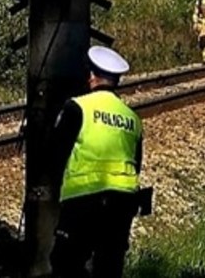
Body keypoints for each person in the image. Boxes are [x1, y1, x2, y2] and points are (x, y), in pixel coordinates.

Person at [49, 46, 145, 277]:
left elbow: (57, 153)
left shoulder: (78, 107)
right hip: (122, 203)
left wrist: (53, 190)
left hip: (84, 198)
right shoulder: (132, 118)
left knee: (66, 262)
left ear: (91, 76)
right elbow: (136, 162)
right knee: (109, 266)